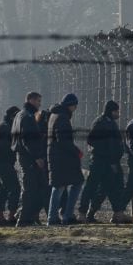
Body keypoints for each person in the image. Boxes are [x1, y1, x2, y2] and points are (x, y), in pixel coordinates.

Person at [82, 100, 128, 224]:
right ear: (112, 111)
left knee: (108, 188)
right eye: (117, 111)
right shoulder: (102, 123)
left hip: (107, 161)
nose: (118, 114)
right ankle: (85, 213)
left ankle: (112, 213)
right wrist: (108, 155)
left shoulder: (107, 123)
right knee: (95, 188)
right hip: (103, 162)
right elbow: (92, 140)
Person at [47, 94, 83, 225]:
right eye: (75, 106)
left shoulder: (54, 115)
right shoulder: (63, 118)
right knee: (76, 183)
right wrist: (76, 151)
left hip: (56, 157)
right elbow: (64, 141)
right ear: (71, 105)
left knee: (58, 187)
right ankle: (66, 215)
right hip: (63, 158)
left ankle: (53, 217)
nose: (75, 109)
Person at [12, 92, 47, 226]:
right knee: (32, 188)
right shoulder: (28, 116)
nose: (39, 104)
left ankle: (26, 215)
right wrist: (37, 156)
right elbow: (28, 139)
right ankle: (24, 218)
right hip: (29, 157)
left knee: (33, 187)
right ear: (31, 100)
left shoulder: (20, 115)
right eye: (38, 101)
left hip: (23, 155)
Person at [0, 106, 21, 226]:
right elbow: (5, 147)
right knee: (15, 188)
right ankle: (11, 216)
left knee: (2, 189)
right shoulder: (6, 128)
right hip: (3, 162)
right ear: (13, 116)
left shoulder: (4, 125)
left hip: (0, 162)